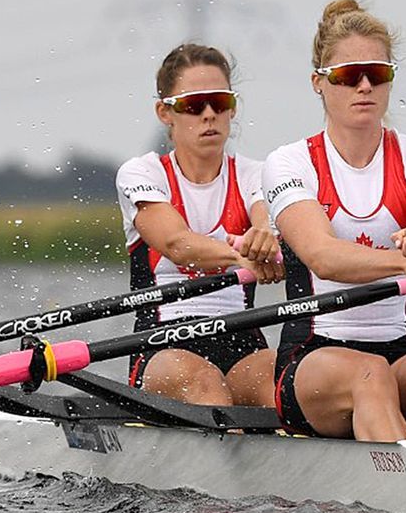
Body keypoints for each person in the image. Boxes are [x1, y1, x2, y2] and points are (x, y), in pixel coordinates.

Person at [262, 0, 406, 441]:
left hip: (398, 349)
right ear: (318, 83)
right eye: (347, 76)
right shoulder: (288, 163)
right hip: (312, 357)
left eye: (377, 74)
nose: (364, 86)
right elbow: (323, 257)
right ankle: (403, 499)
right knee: (370, 375)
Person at [116, 43, 282, 407]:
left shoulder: (258, 174)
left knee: (286, 382)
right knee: (207, 385)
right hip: (163, 343)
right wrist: (244, 255)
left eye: (219, 102)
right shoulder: (143, 173)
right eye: (194, 104)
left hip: (243, 343)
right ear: (165, 112)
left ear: (231, 108)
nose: (209, 114)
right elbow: (177, 244)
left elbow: (264, 220)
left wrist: (265, 236)